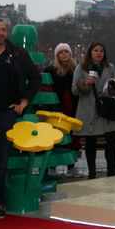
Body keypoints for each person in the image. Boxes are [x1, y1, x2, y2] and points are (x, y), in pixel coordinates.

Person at [0, 18, 41, 218]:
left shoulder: (18, 53)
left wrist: (24, 102)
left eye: (4, 29)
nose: (1, 33)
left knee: (0, 160)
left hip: (5, 114)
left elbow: (35, 78)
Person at [72, 41, 115, 179]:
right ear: (90, 52)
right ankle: (92, 172)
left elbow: (114, 89)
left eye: (101, 50)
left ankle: (111, 170)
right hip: (89, 110)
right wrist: (85, 83)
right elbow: (74, 90)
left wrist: (114, 88)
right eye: (96, 50)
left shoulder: (110, 67)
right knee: (91, 142)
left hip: (106, 109)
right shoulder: (81, 68)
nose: (99, 53)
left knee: (112, 139)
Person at [44, 43, 81, 176]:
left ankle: (71, 166)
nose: (65, 54)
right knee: (55, 137)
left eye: (67, 52)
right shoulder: (50, 70)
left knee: (71, 139)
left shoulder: (76, 69)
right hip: (56, 108)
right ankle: (51, 167)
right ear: (57, 55)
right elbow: (47, 89)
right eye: (61, 52)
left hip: (72, 108)